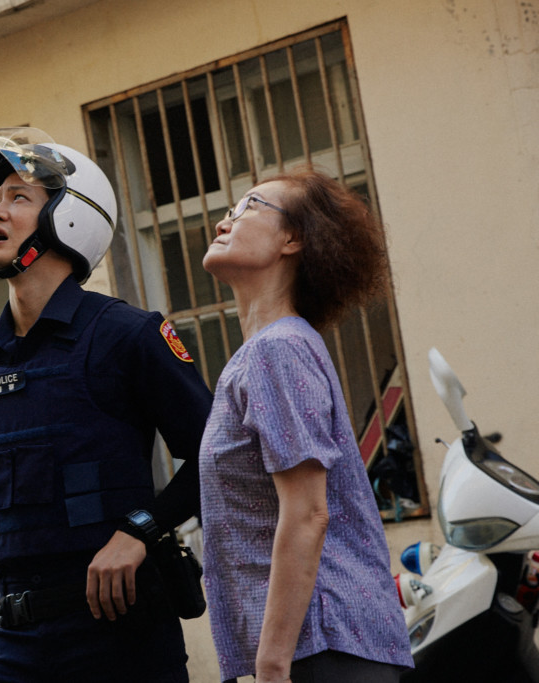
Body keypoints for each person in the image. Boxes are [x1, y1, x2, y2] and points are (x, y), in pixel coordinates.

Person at [0, 128, 213, 682]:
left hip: (123, 634)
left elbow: (218, 455)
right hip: (14, 639)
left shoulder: (128, 335)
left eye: (19, 198)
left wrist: (140, 531)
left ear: (70, 216)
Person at [198, 169, 414, 683]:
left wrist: (272, 663)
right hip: (323, 646)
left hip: (321, 646)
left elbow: (308, 513)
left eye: (250, 206)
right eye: (229, 209)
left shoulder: (277, 350)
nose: (225, 220)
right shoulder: (277, 348)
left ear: (292, 239)